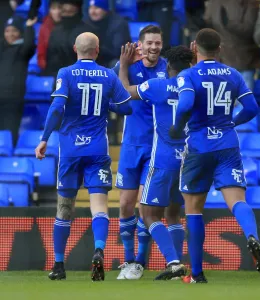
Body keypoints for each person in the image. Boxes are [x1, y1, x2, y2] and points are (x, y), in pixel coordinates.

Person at [170, 28, 260, 283]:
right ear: (220, 48)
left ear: (195, 47)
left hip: (199, 146)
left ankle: (197, 274)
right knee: (237, 200)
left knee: (193, 210)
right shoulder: (233, 74)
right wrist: (231, 122)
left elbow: (184, 104)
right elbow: (252, 108)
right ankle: (252, 236)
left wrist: (177, 126)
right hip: (227, 144)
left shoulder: (188, 75)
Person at [35, 32, 132, 281]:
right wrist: (105, 104)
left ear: (74, 48)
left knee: (64, 207)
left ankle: (58, 265)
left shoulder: (65, 73)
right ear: (97, 50)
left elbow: (57, 108)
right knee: (99, 206)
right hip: (97, 150)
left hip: (70, 151)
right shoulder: (109, 75)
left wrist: (44, 138)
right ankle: (98, 249)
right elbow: (127, 107)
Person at [118, 44, 194, 280]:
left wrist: (123, 65)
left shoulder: (157, 86)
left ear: (168, 66)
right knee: (173, 214)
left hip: (162, 159)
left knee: (148, 213)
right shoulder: (196, 88)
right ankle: (178, 265)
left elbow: (125, 92)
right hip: (188, 159)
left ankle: (173, 262)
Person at [113, 25, 169, 280]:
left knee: (147, 208)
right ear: (140, 44)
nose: (154, 47)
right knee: (125, 204)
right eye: (149, 43)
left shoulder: (167, 69)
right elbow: (116, 90)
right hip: (131, 145)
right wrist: (123, 64)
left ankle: (139, 261)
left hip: (157, 147)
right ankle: (127, 259)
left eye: (157, 43)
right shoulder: (126, 65)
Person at [204, 0, 260, 90]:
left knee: (243, 101)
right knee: (222, 101)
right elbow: (209, 26)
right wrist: (201, 24)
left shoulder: (250, 3)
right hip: (220, 64)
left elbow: (249, 30)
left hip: (243, 61)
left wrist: (229, 24)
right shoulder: (214, 3)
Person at [0, 15, 37, 145]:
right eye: (7, 30)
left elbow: (29, 44)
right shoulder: (2, 49)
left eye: (14, 30)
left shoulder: (23, 51)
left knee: (10, 133)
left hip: (13, 99)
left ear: (20, 33)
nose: (10, 34)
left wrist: (29, 27)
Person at [44, 0, 92, 76]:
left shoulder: (87, 32)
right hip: (59, 75)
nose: (66, 15)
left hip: (82, 75)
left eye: (70, 12)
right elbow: (50, 57)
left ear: (77, 11)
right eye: (64, 12)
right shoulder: (56, 31)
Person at [85, 0, 131, 68]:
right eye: (91, 8)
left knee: (116, 63)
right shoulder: (86, 23)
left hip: (110, 60)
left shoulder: (118, 24)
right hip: (92, 59)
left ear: (105, 9)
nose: (92, 12)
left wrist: (96, 49)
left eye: (96, 8)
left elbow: (118, 51)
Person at [37, 0, 62, 70]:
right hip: (50, 69)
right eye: (53, 8)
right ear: (49, 11)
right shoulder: (44, 27)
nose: (57, 12)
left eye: (59, 8)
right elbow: (41, 55)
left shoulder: (71, 25)